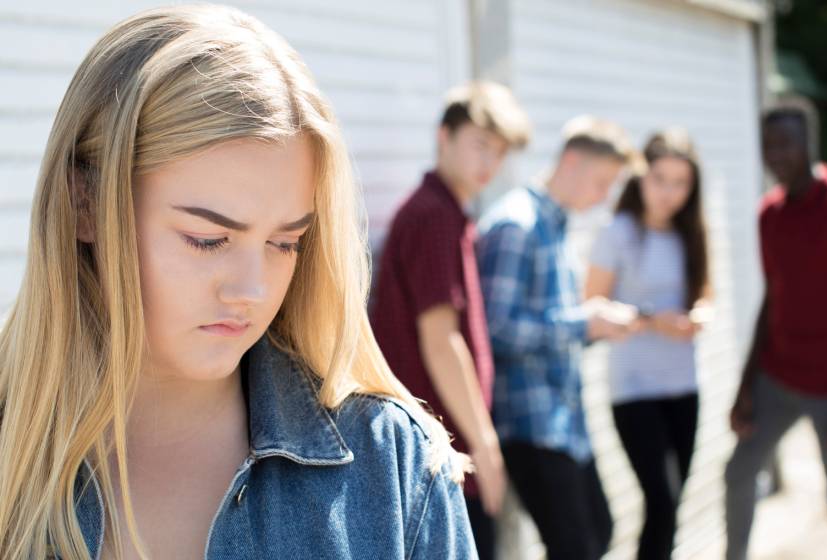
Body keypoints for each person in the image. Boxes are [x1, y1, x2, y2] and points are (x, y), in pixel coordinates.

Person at [0, 6, 475, 559]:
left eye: (285, 243)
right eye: (207, 238)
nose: (253, 290)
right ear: (85, 204)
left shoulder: (394, 467)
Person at [370, 81, 530, 559]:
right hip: (441, 450)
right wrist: (485, 445)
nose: (489, 163)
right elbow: (441, 341)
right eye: (480, 144)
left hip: (438, 447)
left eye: (499, 152)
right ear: (445, 136)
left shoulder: (448, 213)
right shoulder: (432, 215)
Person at [477, 116, 639, 560]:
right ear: (571, 161)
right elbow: (496, 330)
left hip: (566, 421)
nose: (605, 197)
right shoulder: (516, 225)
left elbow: (552, 324)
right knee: (577, 547)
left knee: (600, 532)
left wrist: (597, 325)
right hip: (530, 423)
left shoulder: (558, 225)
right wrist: (583, 323)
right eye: (602, 182)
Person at [725, 102, 827, 560]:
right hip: (776, 378)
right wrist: (745, 384)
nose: (776, 154)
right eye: (768, 145)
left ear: (809, 141)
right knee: (738, 474)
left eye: (785, 143)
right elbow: (772, 298)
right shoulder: (770, 214)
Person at [585, 129, 711, 560]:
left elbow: (706, 295)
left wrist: (698, 318)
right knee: (661, 500)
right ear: (641, 177)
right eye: (661, 179)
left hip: (685, 385)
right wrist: (654, 321)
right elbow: (592, 305)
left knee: (672, 507)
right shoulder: (617, 232)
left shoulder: (691, 232)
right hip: (634, 389)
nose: (669, 193)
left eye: (681, 183)